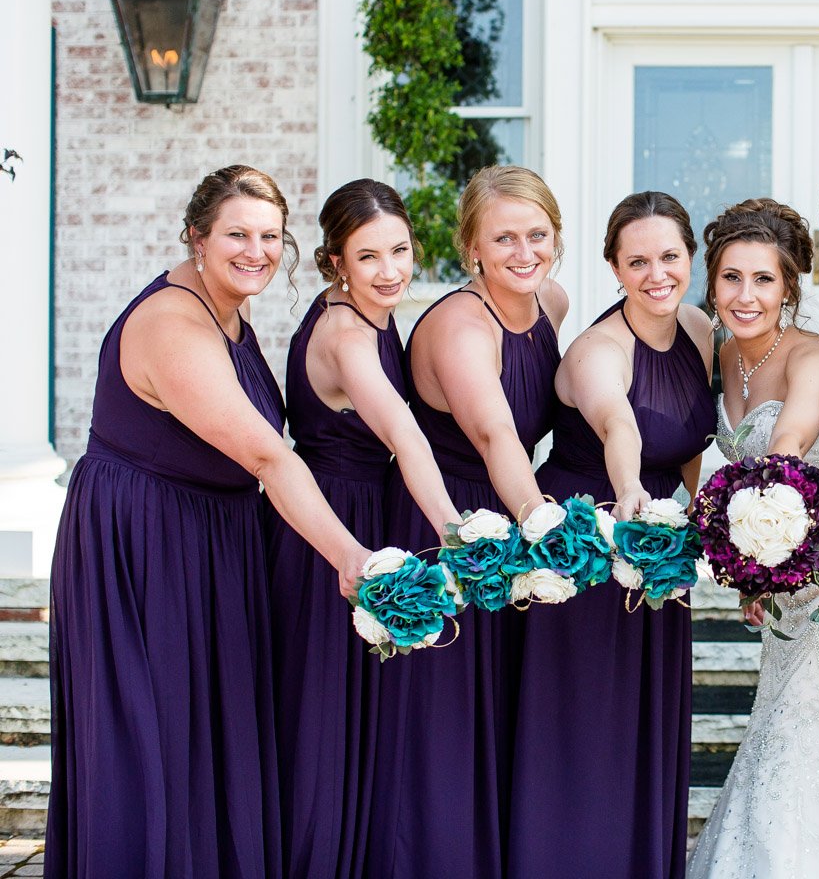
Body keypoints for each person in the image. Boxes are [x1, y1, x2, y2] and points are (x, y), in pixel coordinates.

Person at [47, 165, 371, 879]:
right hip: (144, 540)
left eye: (269, 237)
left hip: (215, 536)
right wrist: (352, 557)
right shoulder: (172, 321)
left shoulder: (232, 307)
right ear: (197, 237)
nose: (255, 250)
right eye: (236, 235)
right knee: (154, 743)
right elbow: (265, 454)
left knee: (210, 739)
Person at [363, 165, 568, 878]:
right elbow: (493, 433)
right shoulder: (458, 322)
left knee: (498, 711)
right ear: (471, 248)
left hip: (505, 518)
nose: (523, 252)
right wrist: (547, 526)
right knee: (442, 722)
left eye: (537, 235)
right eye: (503, 238)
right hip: (441, 521)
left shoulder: (553, 304)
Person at [686, 198, 819, 878]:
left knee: (808, 730)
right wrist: (758, 574)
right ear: (711, 285)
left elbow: (786, 455)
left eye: (764, 280)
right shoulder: (723, 353)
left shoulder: (814, 359)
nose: (746, 296)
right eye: (731, 279)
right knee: (780, 728)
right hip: (781, 577)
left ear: (790, 287)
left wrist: (758, 560)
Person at [512, 190, 714, 879]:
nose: (656, 273)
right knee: (584, 727)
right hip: (590, 546)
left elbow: (688, 436)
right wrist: (630, 491)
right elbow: (619, 423)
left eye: (670, 257)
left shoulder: (699, 329)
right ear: (613, 267)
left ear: (691, 257)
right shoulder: (600, 348)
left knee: (642, 730)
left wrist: (708, 513)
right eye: (637, 261)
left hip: (658, 547)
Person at [264, 179, 461, 879]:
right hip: (327, 534)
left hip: (365, 514)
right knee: (324, 721)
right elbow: (407, 439)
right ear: (335, 262)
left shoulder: (374, 312)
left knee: (360, 717)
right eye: (368, 255)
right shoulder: (347, 333)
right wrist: (459, 538)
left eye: (400, 250)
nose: (390, 270)